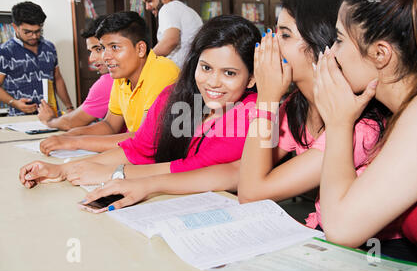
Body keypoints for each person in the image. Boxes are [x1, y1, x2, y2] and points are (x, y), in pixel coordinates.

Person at [19, 15, 261, 213]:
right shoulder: (178, 96)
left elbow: (194, 167)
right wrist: (64, 168)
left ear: (251, 78)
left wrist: (117, 174)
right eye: (206, 68)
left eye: (229, 73)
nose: (213, 82)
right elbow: (138, 148)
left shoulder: (252, 113)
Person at [312, 0, 417, 270]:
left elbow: (341, 227)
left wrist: (337, 123)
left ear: (380, 54)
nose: (332, 53)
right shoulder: (403, 111)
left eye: (338, 40)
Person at [238, 0, 393, 237]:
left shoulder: (361, 125)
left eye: (285, 34)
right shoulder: (297, 105)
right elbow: (246, 171)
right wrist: (161, 178)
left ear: (321, 44)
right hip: (321, 231)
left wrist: (266, 99)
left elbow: (252, 192)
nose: (272, 42)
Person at [39, 11, 179, 155]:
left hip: (169, 161)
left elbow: (143, 138)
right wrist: (68, 136)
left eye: (114, 47)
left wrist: (75, 142)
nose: (106, 56)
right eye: (103, 48)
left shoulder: (162, 71)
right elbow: (109, 125)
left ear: (140, 49)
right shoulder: (121, 77)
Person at [37, 16, 114, 131]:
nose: (92, 59)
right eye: (90, 52)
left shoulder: (108, 81)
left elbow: (71, 123)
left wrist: (50, 120)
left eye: (98, 49)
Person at [0, 1, 74, 116]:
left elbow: (57, 78)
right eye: (28, 32)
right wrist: (14, 103)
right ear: (15, 27)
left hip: (52, 116)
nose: (34, 36)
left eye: (37, 31)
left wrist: (69, 108)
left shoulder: (49, 47)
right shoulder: (5, 51)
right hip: (20, 119)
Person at [136, 0, 203, 68]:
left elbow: (170, 41)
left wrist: (143, 60)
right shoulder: (187, 10)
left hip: (180, 74)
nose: (147, 7)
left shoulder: (168, 8)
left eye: (149, 1)